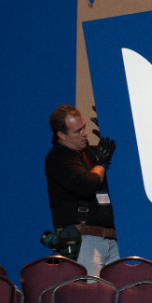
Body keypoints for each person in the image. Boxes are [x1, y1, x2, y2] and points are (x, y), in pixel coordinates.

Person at [45, 104, 119, 275]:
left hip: (110, 239)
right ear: (61, 135)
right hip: (84, 241)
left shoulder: (91, 153)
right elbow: (86, 186)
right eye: (77, 131)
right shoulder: (59, 157)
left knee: (117, 297)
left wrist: (112, 125)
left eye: (84, 127)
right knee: (91, 297)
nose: (84, 134)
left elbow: (118, 151)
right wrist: (101, 166)